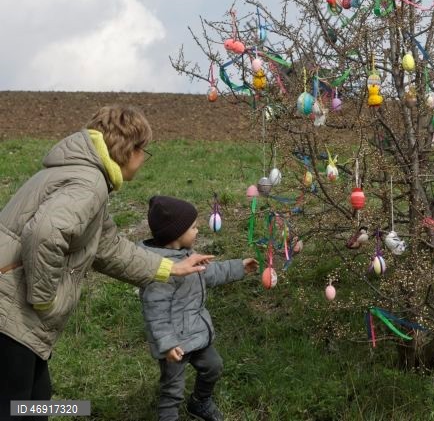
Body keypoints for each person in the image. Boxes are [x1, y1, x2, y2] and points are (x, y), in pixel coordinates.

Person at [0, 106, 213, 421]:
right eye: (145, 151)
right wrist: (44, 299)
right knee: (17, 409)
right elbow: (45, 234)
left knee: (36, 401)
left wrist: (171, 268)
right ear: (131, 150)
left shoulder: (80, 176)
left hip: (15, 318)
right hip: (11, 317)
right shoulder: (88, 184)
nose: (143, 160)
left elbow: (108, 247)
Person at [140, 195, 257, 421]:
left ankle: (200, 402)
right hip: (174, 345)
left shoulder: (188, 257)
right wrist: (167, 344)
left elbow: (211, 273)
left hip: (196, 334)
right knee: (172, 390)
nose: (197, 231)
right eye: (193, 227)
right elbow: (155, 312)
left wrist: (239, 267)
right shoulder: (160, 271)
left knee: (213, 366)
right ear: (176, 233)